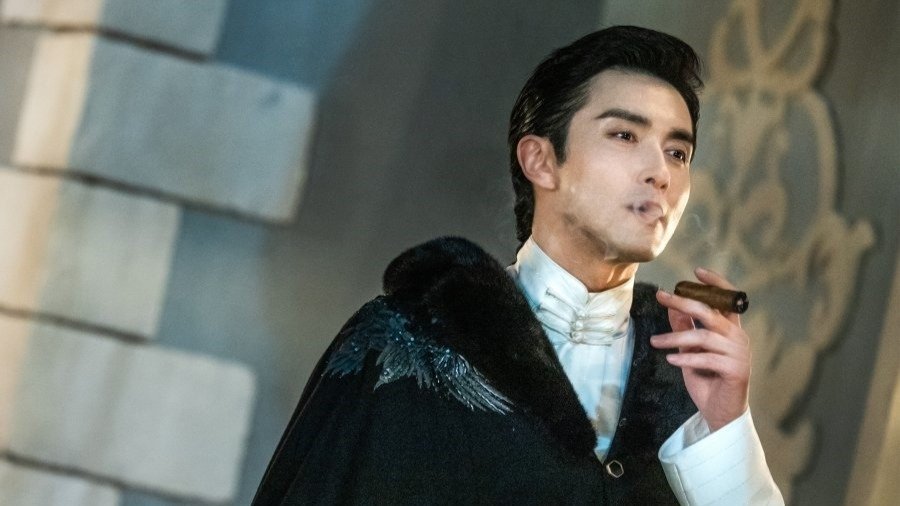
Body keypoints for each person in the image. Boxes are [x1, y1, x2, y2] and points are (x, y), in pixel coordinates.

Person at [253, 25, 784, 505]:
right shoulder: (409, 340)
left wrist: (725, 426)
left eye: (677, 153)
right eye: (625, 135)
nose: (660, 173)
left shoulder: (683, 376)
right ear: (541, 161)